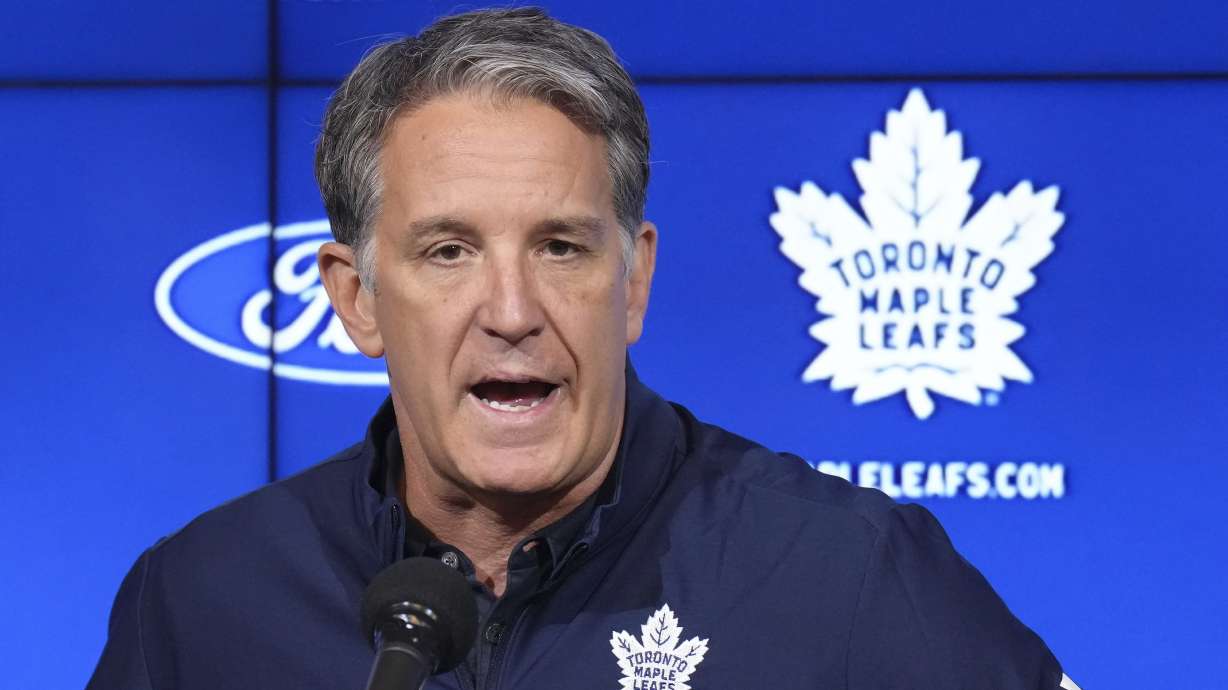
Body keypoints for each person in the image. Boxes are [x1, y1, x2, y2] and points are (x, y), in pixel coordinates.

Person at [89, 8, 1079, 690]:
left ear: (634, 281)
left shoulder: (848, 572)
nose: (511, 309)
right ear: (358, 299)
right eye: (448, 251)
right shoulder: (202, 600)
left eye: (560, 247)